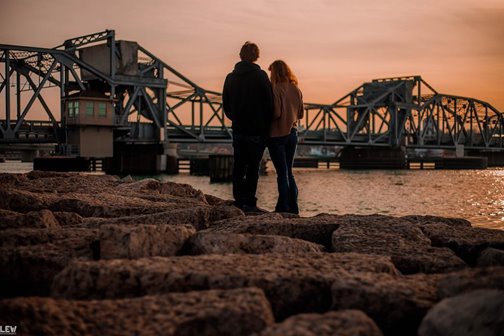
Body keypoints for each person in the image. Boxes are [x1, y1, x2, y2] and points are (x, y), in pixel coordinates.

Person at [222, 42, 274, 212]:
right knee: (253, 167)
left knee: (239, 165)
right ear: (256, 56)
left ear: (240, 55)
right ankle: (250, 202)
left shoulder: (230, 77)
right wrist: (264, 124)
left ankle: (238, 199)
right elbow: (269, 104)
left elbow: (226, 105)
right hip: (257, 130)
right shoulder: (261, 76)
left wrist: (236, 118)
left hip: (238, 129)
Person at [267, 60, 304, 214]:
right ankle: (293, 207)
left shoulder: (276, 88)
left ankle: (283, 207)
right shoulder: (296, 89)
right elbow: (301, 114)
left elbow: (276, 113)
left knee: (281, 173)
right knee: (289, 171)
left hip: (277, 135)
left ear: (275, 73)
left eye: (271, 72)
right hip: (293, 134)